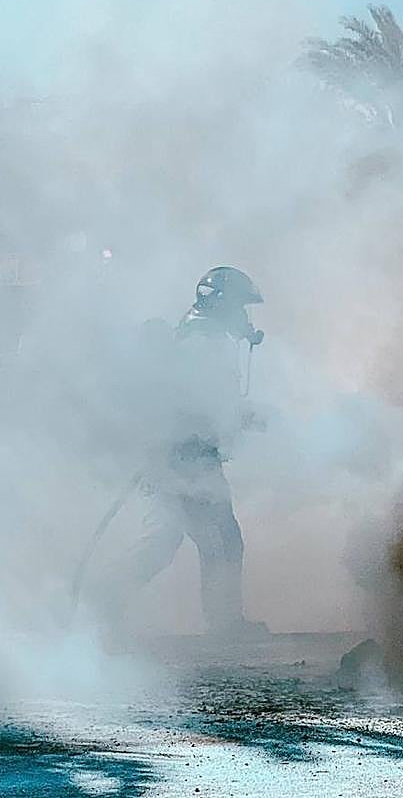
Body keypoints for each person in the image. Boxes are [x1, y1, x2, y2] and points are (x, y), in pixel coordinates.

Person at [97, 267, 266, 639]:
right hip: (182, 458)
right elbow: (191, 402)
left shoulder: (204, 336)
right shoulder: (201, 340)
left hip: (189, 457)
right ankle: (103, 604)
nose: (244, 316)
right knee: (203, 539)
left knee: (189, 539)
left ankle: (105, 603)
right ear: (220, 304)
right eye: (240, 306)